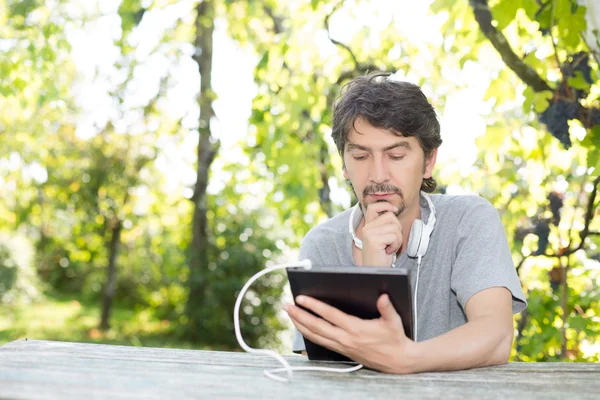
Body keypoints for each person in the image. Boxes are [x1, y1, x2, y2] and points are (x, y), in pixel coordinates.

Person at [282, 71, 527, 374]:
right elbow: (322, 366)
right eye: (360, 157)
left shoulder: (469, 220)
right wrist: (374, 275)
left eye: (395, 155)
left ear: (428, 161)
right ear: (344, 164)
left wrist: (406, 358)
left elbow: (497, 336)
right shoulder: (322, 244)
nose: (378, 174)